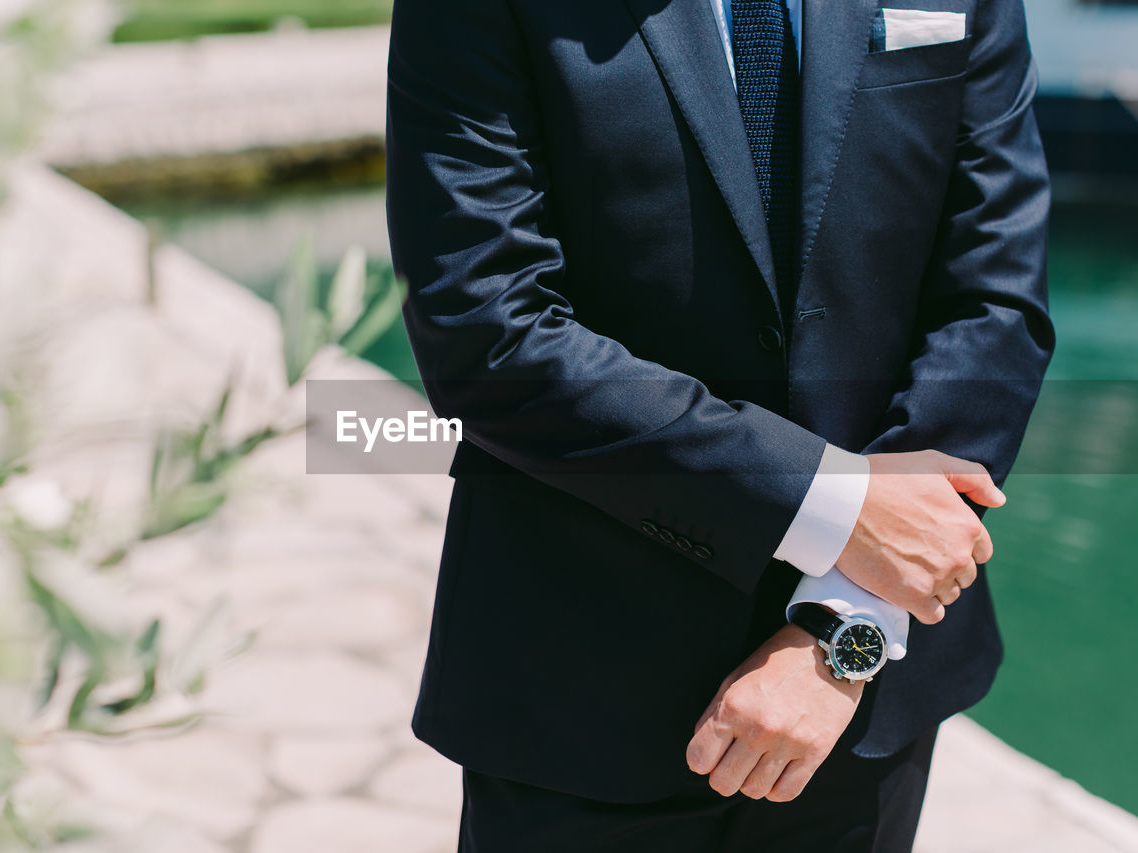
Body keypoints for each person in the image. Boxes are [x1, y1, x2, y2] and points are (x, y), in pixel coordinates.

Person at [384, 0, 1053, 847]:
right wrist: (832, 504)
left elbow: (995, 306)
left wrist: (847, 620)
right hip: (579, 695)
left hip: (864, 716)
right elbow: (486, 333)